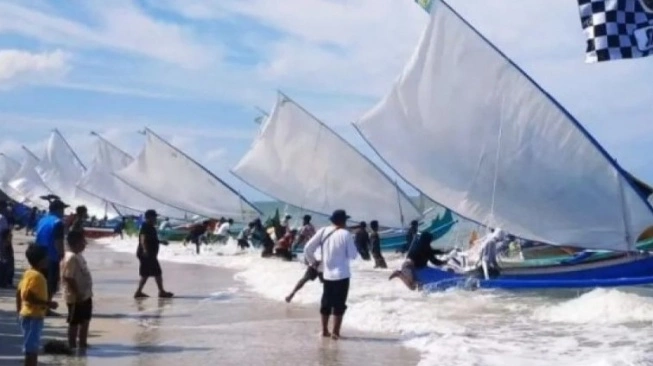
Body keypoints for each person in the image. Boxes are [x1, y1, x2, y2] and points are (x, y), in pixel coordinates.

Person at [304, 209, 358, 340]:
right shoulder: (346, 234)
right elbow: (353, 255)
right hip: (342, 275)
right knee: (339, 304)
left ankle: (324, 331)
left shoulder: (323, 231)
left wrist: (313, 262)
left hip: (326, 274)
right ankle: (335, 332)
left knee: (326, 302)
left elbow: (307, 248)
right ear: (343, 221)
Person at [16, 245, 58, 366]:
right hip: (33, 317)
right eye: (46, 258)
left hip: (28, 315)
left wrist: (19, 309)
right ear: (41, 261)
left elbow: (19, 292)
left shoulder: (28, 273)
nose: (48, 259)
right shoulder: (37, 277)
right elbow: (27, 295)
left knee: (30, 348)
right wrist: (47, 303)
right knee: (32, 350)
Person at [61, 230, 93, 349]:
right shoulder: (71, 257)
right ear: (76, 243)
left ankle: (83, 342)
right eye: (83, 242)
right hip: (76, 296)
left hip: (86, 294)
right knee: (74, 321)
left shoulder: (78, 255)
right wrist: (77, 293)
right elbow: (68, 277)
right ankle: (72, 344)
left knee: (86, 319)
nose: (85, 244)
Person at [35, 199, 67, 310]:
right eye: (63, 209)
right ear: (59, 210)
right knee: (51, 283)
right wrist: (62, 255)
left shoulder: (42, 220)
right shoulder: (58, 222)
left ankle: (41, 306)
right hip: (52, 256)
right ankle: (46, 308)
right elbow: (58, 241)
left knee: (41, 281)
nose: (64, 212)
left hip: (39, 255)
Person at [134, 209, 173, 299]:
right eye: (154, 217)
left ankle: (138, 292)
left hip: (147, 254)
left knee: (146, 274)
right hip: (147, 254)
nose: (156, 219)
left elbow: (151, 239)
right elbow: (143, 239)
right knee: (157, 272)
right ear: (149, 218)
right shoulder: (146, 226)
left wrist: (161, 242)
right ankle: (161, 291)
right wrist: (145, 250)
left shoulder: (150, 227)